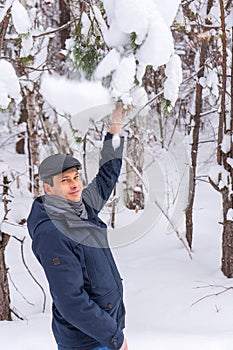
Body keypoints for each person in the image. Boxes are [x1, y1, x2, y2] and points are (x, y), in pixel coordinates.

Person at [27, 103, 128, 350]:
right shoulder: (52, 233)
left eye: (75, 178)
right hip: (88, 341)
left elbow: (107, 176)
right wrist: (115, 339)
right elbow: (71, 301)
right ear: (48, 189)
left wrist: (114, 130)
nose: (74, 185)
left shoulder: (80, 207)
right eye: (64, 181)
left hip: (105, 330)